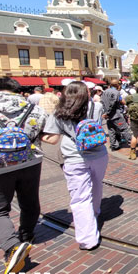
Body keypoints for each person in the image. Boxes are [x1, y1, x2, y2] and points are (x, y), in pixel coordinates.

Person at [0, 77, 47, 274]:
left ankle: (12, 247)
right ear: (17, 91)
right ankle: (26, 235)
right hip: (30, 162)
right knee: (29, 202)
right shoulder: (35, 109)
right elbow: (42, 133)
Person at [41, 81, 107, 251]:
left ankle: (87, 239)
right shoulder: (96, 107)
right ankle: (94, 212)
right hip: (99, 153)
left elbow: (53, 139)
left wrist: (39, 134)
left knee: (80, 197)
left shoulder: (59, 112)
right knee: (97, 184)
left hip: (74, 157)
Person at [101, 79, 131, 151]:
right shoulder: (116, 92)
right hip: (115, 115)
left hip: (108, 116)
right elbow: (113, 103)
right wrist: (107, 113)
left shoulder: (104, 92)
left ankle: (114, 145)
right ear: (117, 85)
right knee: (124, 129)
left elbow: (103, 103)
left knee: (111, 130)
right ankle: (131, 141)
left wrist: (105, 113)